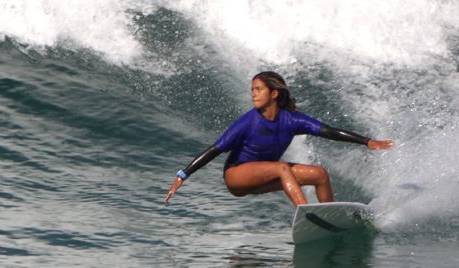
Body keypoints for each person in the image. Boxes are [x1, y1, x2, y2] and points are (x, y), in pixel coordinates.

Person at [164, 71, 393, 207]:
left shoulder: (291, 120)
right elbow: (215, 149)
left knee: (320, 174)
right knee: (282, 168)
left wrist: (367, 141)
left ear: (273, 94)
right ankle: (307, 214)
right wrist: (183, 175)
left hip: (267, 175)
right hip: (237, 175)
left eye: (258, 89)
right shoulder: (248, 121)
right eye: (252, 89)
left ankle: (329, 216)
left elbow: (328, 131)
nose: (253, 93)